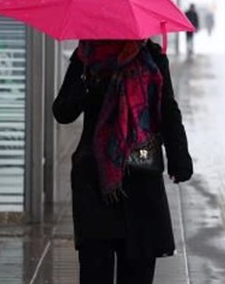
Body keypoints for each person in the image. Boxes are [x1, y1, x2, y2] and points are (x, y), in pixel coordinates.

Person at [53, 39, 193, 284]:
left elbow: (167, 109)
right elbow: (63, 111)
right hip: (97, 183)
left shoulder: (151, 57)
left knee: (137, 272)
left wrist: (179, 157)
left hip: (139, 181)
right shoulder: (86, 56)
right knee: (96, 271)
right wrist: (86, 83)